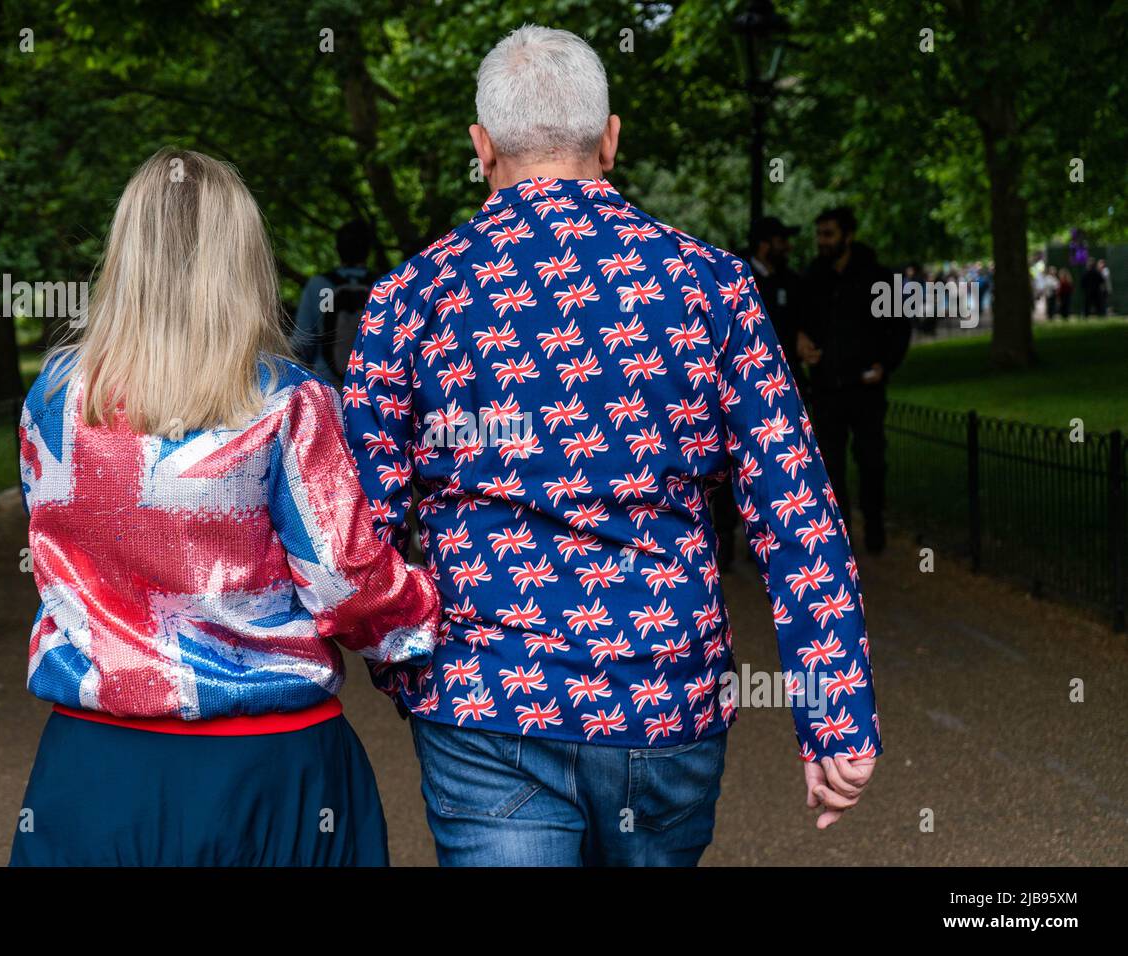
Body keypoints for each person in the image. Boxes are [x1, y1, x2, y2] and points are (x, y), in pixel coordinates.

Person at [343, 25, 881, 867]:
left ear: (480, 147)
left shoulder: (409, 299)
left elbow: (359, 531)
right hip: (661, 693)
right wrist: (835, 708)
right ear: (610, 138)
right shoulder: (712, 286)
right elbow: (794, 511)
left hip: (487, 700)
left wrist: (410, 663)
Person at [10, 148, 440, 867]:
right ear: (243, 258)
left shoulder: (52, 401)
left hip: (93, 764)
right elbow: (347, 584)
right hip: (270, 768)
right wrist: (430, 616)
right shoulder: (288, 403)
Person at [799, 207, 909, 555]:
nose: (822, 242)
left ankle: (874, 525)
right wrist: (799, 340)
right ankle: (840, 533)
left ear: (847, 236)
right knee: (829, 465)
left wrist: (885, 365)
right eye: (819, 235)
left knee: (871, 460)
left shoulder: (878, 277)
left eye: (829, 234)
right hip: (827, 387)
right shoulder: (812, 276)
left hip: (865, 389)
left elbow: (900, 328)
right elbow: (797, 320)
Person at [715, 215, 805, 568]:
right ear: (766, 243)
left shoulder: (791, 281)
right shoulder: (730, 276)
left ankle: (769, 549)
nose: (788, 246)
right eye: (782, 239)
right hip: (735, 389)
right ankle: (725, 546)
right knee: (727, 471)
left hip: (776, 391)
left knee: (770, 468)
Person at [291, 220, 374, 386]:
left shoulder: (322, 287)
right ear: (368, 250)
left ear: (337, 248)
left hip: (328, 384)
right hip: (370, 386)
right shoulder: (382, 285)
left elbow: (304, 340)